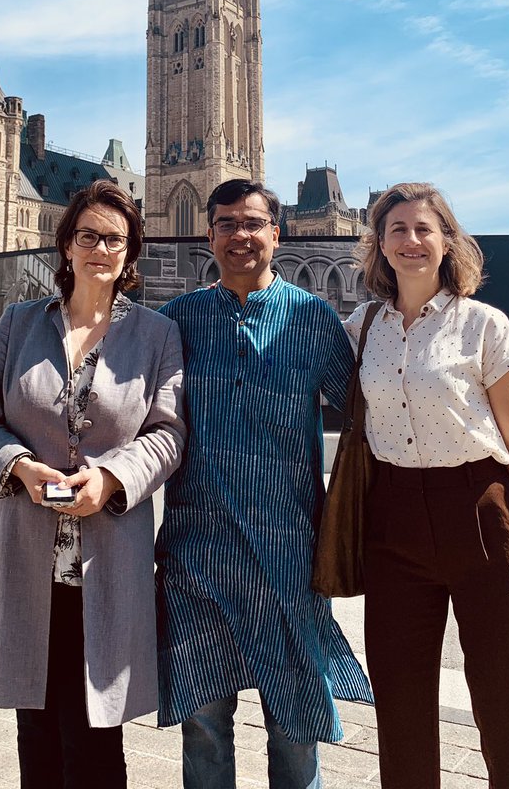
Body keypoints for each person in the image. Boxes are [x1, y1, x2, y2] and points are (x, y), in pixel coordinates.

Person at [0, 179, 185, 789]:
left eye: (115, 239)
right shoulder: (19, 323)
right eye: (88, 236)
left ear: (130, 253)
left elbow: (167, 435)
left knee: (95, 739)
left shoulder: (157, 335)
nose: (100, 249)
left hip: (106, 559)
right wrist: (17, 466)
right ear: (67, 246)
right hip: (27, 555)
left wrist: (111, 477)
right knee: (34, 731)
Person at [345, 182, 509, 788]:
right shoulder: (362, 328)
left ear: (448, 241)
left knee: (508, 700)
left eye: (424, 229)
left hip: (483, 513)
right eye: (397, 229)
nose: (411, 241)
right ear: (380, 244)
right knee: (398, 697)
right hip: (392, 520)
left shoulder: (484, 326)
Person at [156, 178, 372, 789]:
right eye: (226, 224)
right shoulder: (179, 320)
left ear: (276, 233)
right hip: (198, 552)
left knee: (295, 723)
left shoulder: (312, 318)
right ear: (210, 236)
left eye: (252, 223)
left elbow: (368, 411)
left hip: (291, 552)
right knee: (202, 723)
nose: (240, 235)